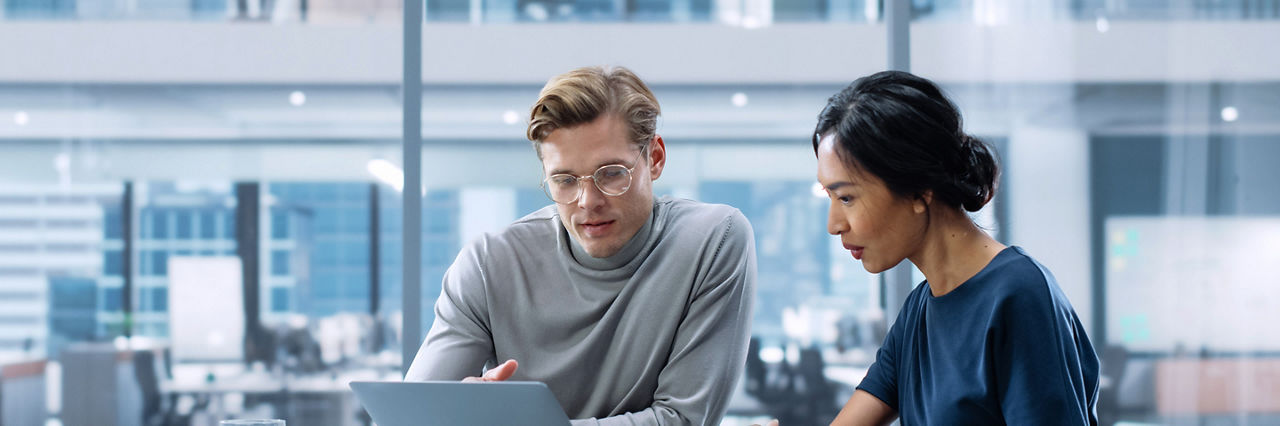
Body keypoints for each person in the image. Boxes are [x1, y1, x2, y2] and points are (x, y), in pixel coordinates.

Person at [404, 65, 758, 426]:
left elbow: (682, 420)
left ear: (654, 158)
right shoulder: (488, 264)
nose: (588, 201)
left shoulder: (713, 241)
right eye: (565, 180)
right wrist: (457, 411)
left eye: (612, 173)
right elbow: (410, 416)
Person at [761, 71, 1099, 426]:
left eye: (846, 197)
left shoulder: (1019, 295)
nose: (834, 225)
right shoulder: (919, 311)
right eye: (830, 198)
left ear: (918, 190)